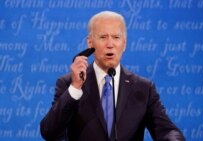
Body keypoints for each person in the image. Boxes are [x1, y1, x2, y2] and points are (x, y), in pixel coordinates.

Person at [40, 10, 185, 141]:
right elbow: (49, 132)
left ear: (124, 44)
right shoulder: (68, 84)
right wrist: (75, 88)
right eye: (103, 37)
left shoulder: (143, 88)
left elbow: (167, 131)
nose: (110, 44)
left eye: (116, 37)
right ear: (90, 43)